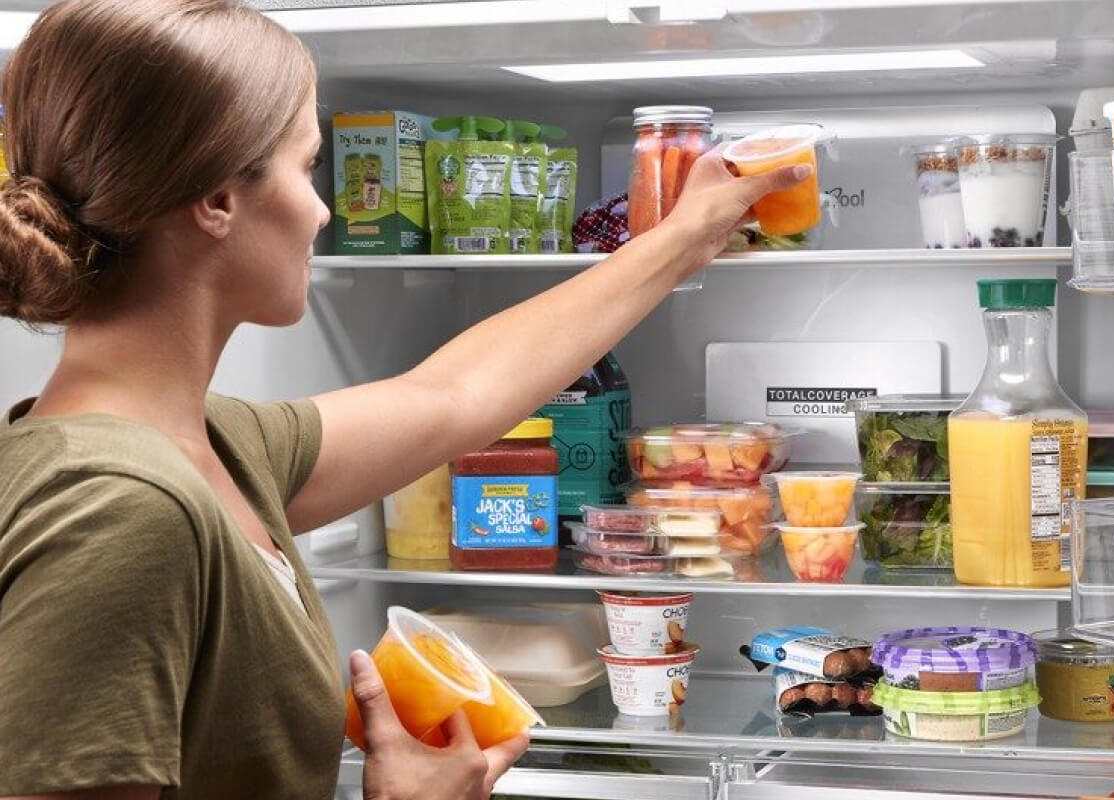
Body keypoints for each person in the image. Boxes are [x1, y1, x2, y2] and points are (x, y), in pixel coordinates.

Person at [0, 1, 808, 799]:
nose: (322, 210)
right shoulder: (118, 512)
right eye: (307, 166)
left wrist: (682, 237)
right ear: (216, 199)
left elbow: (454, 396)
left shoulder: (210, 446)